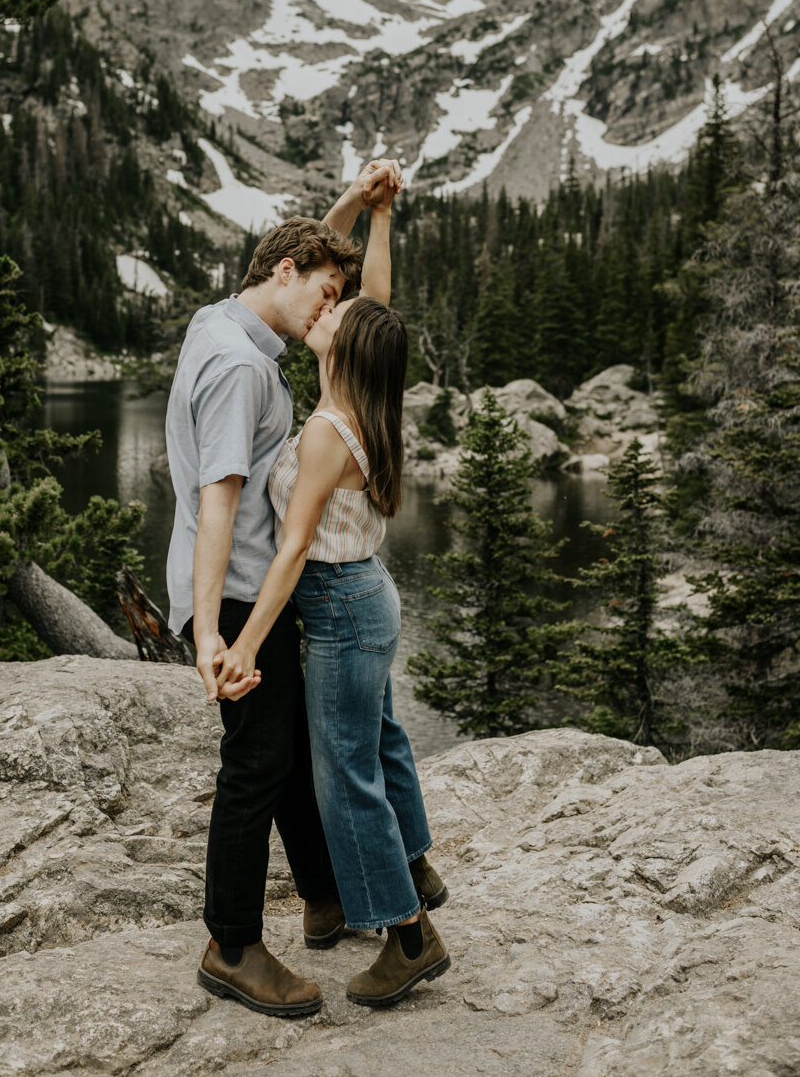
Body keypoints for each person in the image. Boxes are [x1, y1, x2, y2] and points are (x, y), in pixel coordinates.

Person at [166, 159, 402, 1019]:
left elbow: (309, 263)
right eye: (324, 289)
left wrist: (356, 210)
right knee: (258, 759)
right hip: (232, 593)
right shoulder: (244, 372)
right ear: (282, 274)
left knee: (293, 743)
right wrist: (210, 634)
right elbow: (217, 500)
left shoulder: (220, 323)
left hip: (239, 589)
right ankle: (230, 943)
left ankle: (324, 894)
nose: (331, 308)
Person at [215, 174, 450, 1009]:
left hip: (341, 608)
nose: (326, 309)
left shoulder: (323, 431)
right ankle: (413, 861)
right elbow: (375, 305)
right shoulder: (367, 397)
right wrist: (376, 217)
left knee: (342, 771)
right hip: (370, 598)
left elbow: (286, 560)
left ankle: (406, 933)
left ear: (345, 347)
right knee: (382, 739)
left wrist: (241, 643)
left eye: (334, 315)